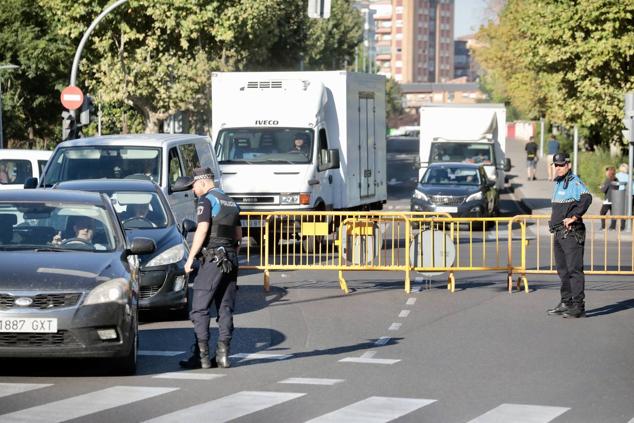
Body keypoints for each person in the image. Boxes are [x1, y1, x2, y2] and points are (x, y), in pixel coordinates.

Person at [179, 167, 242, 369]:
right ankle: (223, 356)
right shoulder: (231, 202)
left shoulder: (206, 200)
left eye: (195, 186)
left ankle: (202, 357)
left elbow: (202, 229)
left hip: (213, 259)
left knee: (199, 308)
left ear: (204, 182)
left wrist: (189, 259)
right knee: (224, 308)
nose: (194, 191)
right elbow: (239, 237)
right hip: (230, 260)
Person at [547, 153, 592, 318]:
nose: (558, 168)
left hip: (571, 233)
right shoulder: (559, 182)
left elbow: (587, 198)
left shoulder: (574, 182)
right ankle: (566, 302)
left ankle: (579, 306)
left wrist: (574, 217)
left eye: (561, 165)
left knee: (574, 270)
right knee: (563, 270)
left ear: (568, 165)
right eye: (556, 165)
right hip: (559, 233)